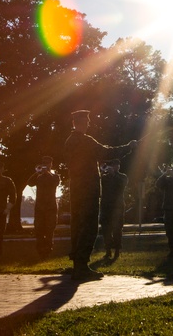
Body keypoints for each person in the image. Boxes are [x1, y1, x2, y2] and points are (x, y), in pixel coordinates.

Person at [62, 109, 136, 281]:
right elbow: (107, 153)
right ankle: (82, 266)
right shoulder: (85, 141)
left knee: (77, 225)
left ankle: (77, 265)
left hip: (76, 189)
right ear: (80, 122)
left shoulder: (69, 141)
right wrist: (129, 147)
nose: (89, 123)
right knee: (89, 227)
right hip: (88, 190)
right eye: (87, 121)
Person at [25, 155, 59, 259]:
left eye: (48, 163)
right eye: (44, 163)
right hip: (39, 208)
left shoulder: (55, 176)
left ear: (51, 164)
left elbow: (55, 183)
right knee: (39, 230)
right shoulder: (38, 177)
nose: (45, 165)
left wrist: (47, 173)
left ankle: (47, 252)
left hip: (51, 208)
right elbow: (29, 183)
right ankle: (40, 253)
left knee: (49, 231)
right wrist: (37, 172)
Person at [99, 159, 128, 260]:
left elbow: (122, 185)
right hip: (106, 206)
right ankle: (108, 251)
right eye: (113, 165)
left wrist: (113, 175)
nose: (115, 167)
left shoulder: (122, 177)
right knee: (106, 230)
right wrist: (102, 172)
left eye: (117, 165)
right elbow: (99, 184)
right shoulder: (104, 177)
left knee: (117, 229)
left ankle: (117, 251)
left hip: (118, 207)